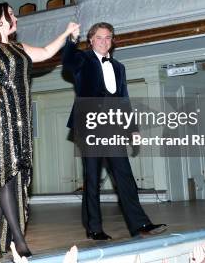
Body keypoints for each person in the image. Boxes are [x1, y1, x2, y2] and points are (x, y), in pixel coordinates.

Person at [0, 2, 80, 259]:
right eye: (10, 13)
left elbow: (46, 51)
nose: (15, 17)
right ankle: (19, 240)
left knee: (18, 177)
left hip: (21, 118)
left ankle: (12, 237)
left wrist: (66, 33)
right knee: (6, 175)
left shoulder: (19, 48)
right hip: (1, 117)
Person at [62, 22, 167, 240]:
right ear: (91, 40)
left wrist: (132, 128)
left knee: (124, 175)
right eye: (99, 37)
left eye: (108, 37)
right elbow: (68, 62)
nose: (104, 41)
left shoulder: (119, 67)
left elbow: (124, 100)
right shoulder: (83, 59)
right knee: (92, 178)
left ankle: (140, 224)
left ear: (113, 40)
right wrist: (71, 40)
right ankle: (94, 228)